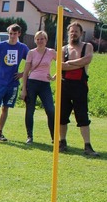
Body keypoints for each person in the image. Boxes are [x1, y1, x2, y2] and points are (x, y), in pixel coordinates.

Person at [58, 22, 99, 157]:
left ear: (81, 33)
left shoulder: (87, 46)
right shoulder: (63, 49)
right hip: (64, 85)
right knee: (62, 116)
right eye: (71, 31)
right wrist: (77, 64)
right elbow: (60, 66)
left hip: (80, 86)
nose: (73, 34)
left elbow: (87, 60)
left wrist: (69, 63)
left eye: (76, 31)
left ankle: (87, 146)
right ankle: (62, 142)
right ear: (68, 33)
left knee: (82, 116)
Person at [20, 30, 56, 144]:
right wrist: (24, 89)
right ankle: (29, 136)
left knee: (51, 110)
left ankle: (54, 137)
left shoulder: (51, 52)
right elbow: (26, 72)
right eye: (38, 39)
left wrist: (54, 77)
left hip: (45, 84)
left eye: (42, 39)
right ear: (35, 40)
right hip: (32, 83)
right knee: (30, 110)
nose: (40, 41)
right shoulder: (31, 53)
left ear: (46, 40)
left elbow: (61, 64)